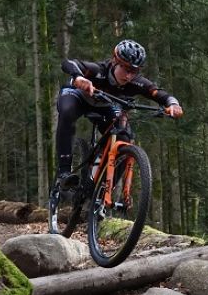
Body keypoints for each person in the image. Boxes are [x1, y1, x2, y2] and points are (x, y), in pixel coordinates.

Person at [53, 39, 182, 189]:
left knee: (124, 138)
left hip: (105, 105)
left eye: (134, 71)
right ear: (115, 61)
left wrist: (173, 104)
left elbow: (158, 93)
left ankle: (100, 193)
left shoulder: (137, 82)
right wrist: (78, 77)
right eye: (126, 69)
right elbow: (69, 63)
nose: (128, 76)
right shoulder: (99, 70)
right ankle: (64, 172)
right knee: (67, 112)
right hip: (78, 96)